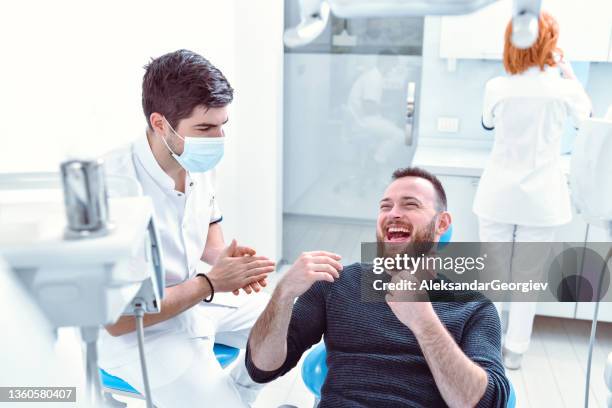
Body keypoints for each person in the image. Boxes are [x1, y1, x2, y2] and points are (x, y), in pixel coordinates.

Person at [246, 167, 510, 407]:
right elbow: (261, 368)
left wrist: (423, 322)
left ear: (441, 224)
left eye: (410, 205)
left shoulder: (474, 307)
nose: (393, 213)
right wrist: (282, 294)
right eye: (385, 207)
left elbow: (488, 403)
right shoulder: (337, 284)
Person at [98, 49, 273, 408]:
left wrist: (222, 258)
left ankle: (235, 394)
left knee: (290, 321)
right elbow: (116, 320)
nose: (218, 137)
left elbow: (208, 221)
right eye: (206, 127)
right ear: (160, 123)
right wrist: (212, 282)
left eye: (223, 124)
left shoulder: (193, 156)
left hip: (196, 300)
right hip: (142, 333)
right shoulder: (113, 188)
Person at [473, 12, 592, 370]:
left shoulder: (497, 86)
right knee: (528, 276)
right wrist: (568, 72)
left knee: (491, 274)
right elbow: (587, 120)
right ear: (551, 45)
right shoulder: (565, 89)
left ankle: (486, 346)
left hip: (498, 194)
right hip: (542, 199)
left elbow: (487, 123)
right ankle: (516, 351)